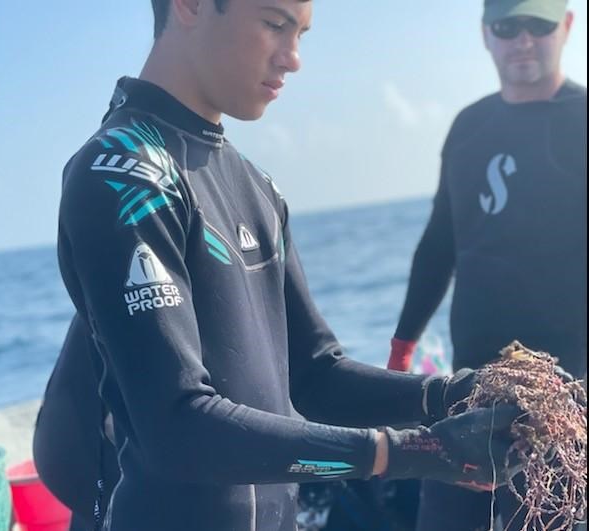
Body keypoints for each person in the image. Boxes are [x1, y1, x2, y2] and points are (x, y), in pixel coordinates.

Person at [33, 1, 522, 530]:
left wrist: (449, 394)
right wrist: (403, 453)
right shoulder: (123, 175)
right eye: (273, 23)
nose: (293, 59)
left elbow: (314, 376)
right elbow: (176, 428)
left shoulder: (258, 188)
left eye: (301, 34)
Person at [387, 0, 587, 529]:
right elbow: (438, 246)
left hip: (570, 398)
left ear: (566, 27)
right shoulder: (469, 127)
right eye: (507, 27)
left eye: (538, 26)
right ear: (485, 35)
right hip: (471, 389)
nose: (523, 40)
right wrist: (400, 351)